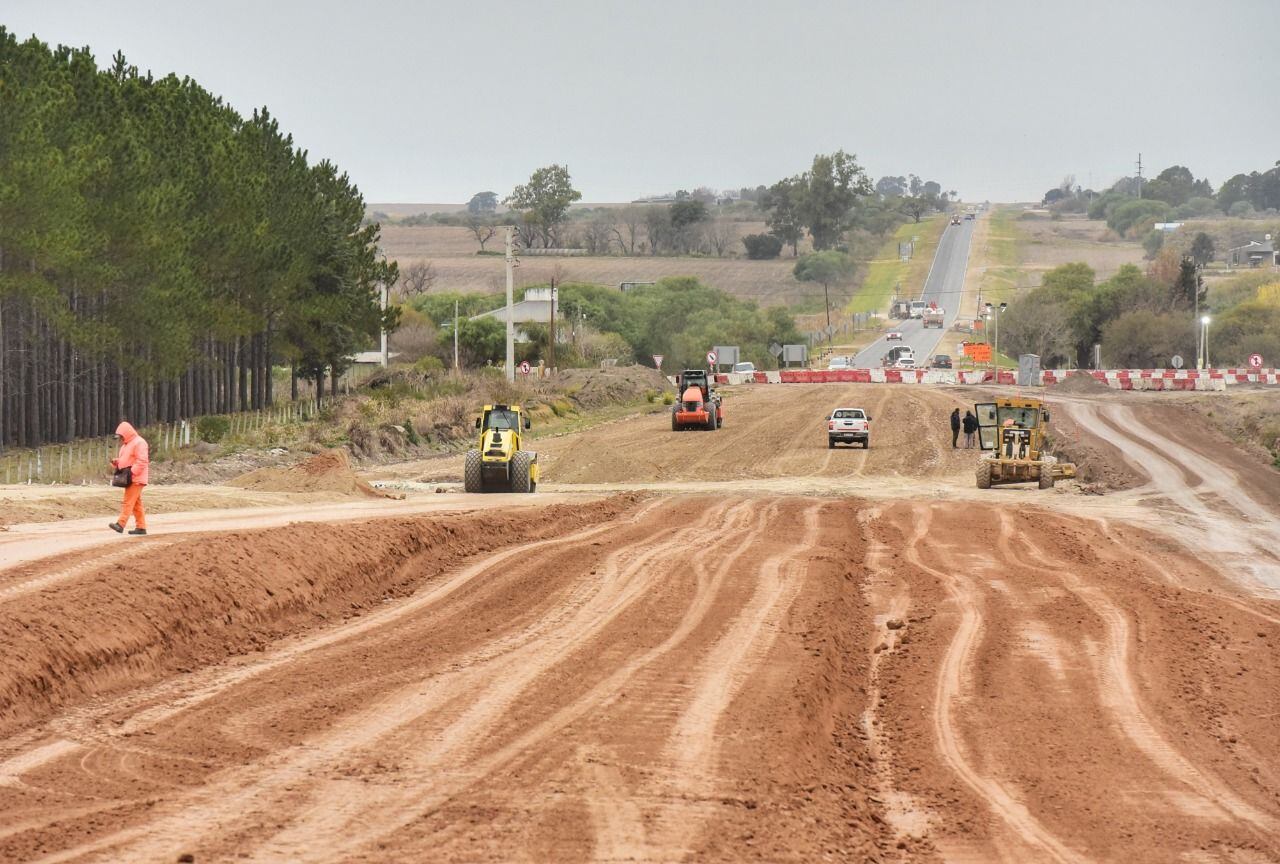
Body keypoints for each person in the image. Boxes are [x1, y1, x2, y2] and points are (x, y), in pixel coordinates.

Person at [109, 421, 149, 535]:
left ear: (126, 433)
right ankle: (141, 527)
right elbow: (127, 460)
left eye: (121, 436)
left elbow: (142, 461)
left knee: (128, 502)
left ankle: (120, 524)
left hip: (136, 478)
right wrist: (117, 462)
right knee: (136, 504)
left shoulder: (139, 443)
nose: (120, 438)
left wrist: (131, 472)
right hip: (131, 477)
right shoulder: (127, 444)